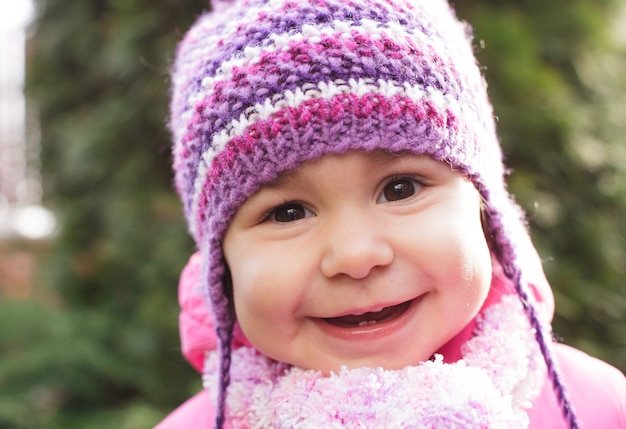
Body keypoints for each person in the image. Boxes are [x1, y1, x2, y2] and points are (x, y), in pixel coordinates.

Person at [156, 0, 626, 427]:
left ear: (485, 208)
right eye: (287, 213)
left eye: (400, 189)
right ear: (221, 267)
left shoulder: (600, 409)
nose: (356, 256)